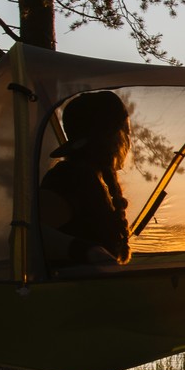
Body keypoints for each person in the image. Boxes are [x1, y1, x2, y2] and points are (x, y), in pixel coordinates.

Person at [39, 90, 132, 265]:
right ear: (112, 137)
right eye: (125, 130)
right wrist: (88, 251)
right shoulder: (67, 177)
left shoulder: (95, 179)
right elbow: (28, 236)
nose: (128, 139)